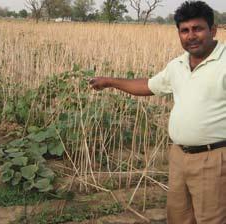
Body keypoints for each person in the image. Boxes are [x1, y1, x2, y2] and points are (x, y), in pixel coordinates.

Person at [89, 1, 226, 223]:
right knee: (179, 215)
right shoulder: (178, 65)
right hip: (179, 156)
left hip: (214, 158)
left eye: (198, 28)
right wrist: (110, 81)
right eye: (185, 30)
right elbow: (149, 86)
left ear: (213, 29)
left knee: (212, 218)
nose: (191, 36)